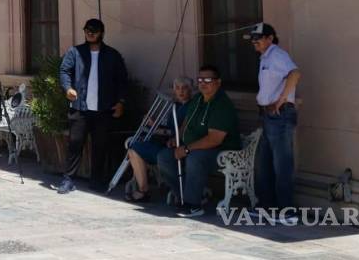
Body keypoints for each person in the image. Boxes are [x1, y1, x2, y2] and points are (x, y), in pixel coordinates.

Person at [156, 64, 241, 217]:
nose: (203, 83)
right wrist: (178, 139)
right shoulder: (197, 99)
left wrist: (187, 149)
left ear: (218, 82)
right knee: (164, 157)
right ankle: (186, 197)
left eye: (208, 79)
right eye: (200, 79)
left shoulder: (221, 104)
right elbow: (186, 123)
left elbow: (214, 139)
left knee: (195, 158)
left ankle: (194, 205)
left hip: (223, 152)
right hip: (195, 147)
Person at [56, 18, 129, 194]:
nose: (90, 33)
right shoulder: (75, 52)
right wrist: (68, 88)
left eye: (94, 30)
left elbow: (122, 80)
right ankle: (68, 180)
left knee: (100, 146)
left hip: (103, 109)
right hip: (80, 107)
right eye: (87, 30)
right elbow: (64, 71)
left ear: (101, 33)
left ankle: (96, 180)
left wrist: (121, 102)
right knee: (75, 144)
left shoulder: (112, 55)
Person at [252, 23, 300, 224]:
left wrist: (282, 98)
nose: (255, 41)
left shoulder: (277, 55)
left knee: (282, 164)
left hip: (279, 115)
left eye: (259, 38)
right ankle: (267, 205)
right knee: (264, 162)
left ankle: (286, 210)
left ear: (270, 38)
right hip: (268, 116)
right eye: (253, 39)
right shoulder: (266, 57)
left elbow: (295, 74)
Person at [124, 76, 194, 203]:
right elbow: (167, 128)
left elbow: (181, 131)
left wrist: (156, 128)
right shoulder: (175, 106)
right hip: (164, 143)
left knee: (139, 147)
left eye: (184, 88)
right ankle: (143, 189)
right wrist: (153, 124)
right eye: (177, 88)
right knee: (134, 147)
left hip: (178, 146)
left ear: (190, 90)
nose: (181, 91)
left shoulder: (191, 107)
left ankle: (148, 189)